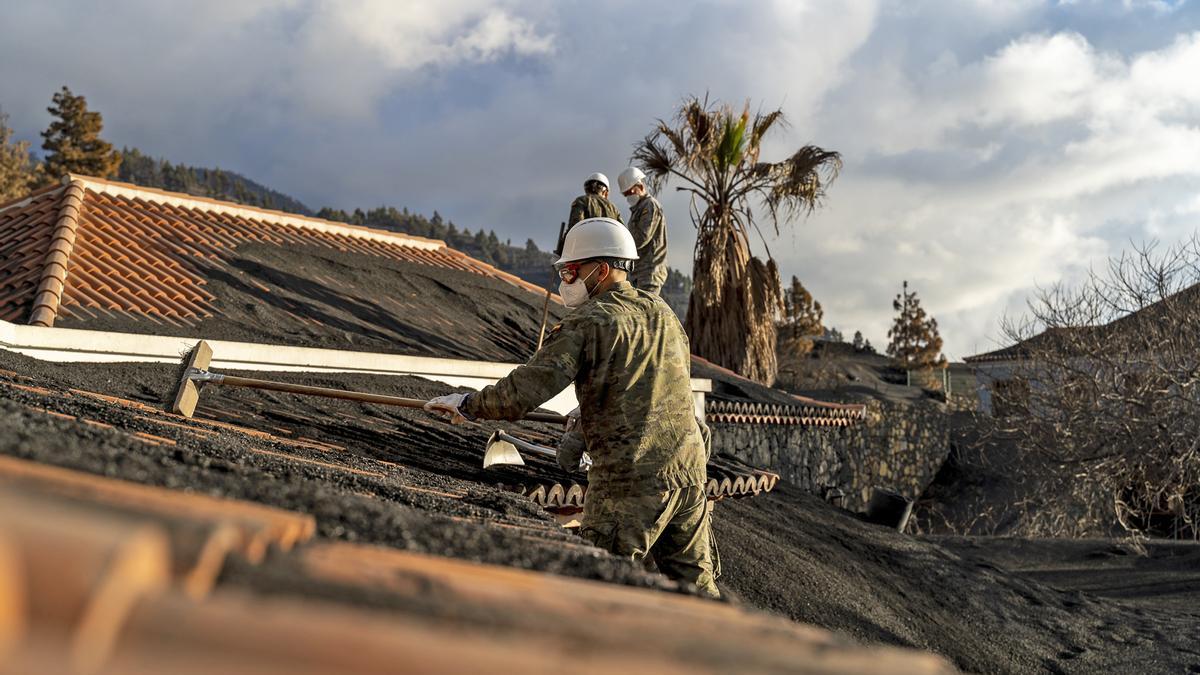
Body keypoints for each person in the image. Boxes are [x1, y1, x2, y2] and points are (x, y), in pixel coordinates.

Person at [425, 217, 719, 598]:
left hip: (630, 483)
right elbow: (654, 390)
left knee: (599, 591)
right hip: (689, 475)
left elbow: (527, 389)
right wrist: (588, 418)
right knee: (698, 597)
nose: (567, 280)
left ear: (601, 269)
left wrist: (468, 404)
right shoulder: (662, 313)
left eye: (571, 271)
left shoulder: (592, 320)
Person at [617, 167, 668, 296]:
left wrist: (621, 245)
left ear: (639, 186)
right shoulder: (638, 209)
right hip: (639, 272)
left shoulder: (649, 205)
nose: (628, 196)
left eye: (630, 192)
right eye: (626, 194)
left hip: (649, 271)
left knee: (645, 312)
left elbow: (642, 238)